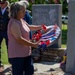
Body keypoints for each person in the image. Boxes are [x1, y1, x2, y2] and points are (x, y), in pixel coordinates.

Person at [8, 1, 43, 75]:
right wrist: (32, 44)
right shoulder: (13, 23)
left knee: (30, 71)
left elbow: (29, 27)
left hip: (26, 53)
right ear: (16, 12)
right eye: (23, 11)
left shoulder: (21, 20)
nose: (25, 12)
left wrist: (41, 27)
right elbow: (19, 39)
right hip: (17, 54)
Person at [0, 0, 10, 68]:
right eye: (0, 3)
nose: (1, 4)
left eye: (2, 3)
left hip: (7, 31)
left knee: (9, 47)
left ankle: (11, 62)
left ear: (6, 3)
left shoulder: (9, 10)